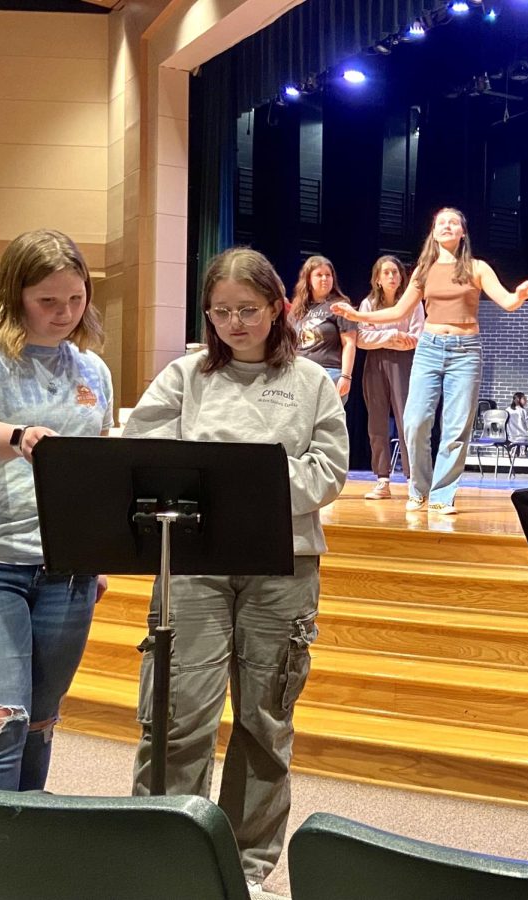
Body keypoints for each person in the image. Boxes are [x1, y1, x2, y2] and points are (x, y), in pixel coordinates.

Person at [125, 247, 348, 891]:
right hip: (194, 560)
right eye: (220, 311)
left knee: (263, 721)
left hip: (283, 565)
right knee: (177, 715)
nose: (233, 323)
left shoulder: (311, 383)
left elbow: (329, 473)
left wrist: (247, 477)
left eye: (247, 310)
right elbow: (143, 449)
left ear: (279, 307)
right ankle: (162, 857)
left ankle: (245, 869)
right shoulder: (185, 376)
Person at [0, 229, 113, 789]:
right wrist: (20, 437)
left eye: (76, 299)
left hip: (66, 571)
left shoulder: (93, 371)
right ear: (16, 295)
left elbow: (95, 473)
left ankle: (23, 863)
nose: (64, 313)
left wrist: (98, 550)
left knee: (36, 726)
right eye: (47, 301)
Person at [333, 207, 528, 515]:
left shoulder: (477, 268)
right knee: (414, 422)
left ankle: (443, 494)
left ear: (462, 232)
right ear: (433, 232)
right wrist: (358, 315)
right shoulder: (423, 270)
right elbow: (399, 312)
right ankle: (419, 489)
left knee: (456, 428)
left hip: (466, 350)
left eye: (453, 222)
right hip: (429, 348)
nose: (446, 226)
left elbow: (508, 302)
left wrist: (520, 294)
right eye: (440, 222)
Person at [356, 255, 424, 500]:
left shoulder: (413, 304)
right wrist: (394, 335)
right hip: (375, 364)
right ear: (377, 279)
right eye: (386, 273)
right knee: (376, 421)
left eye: (395, 272)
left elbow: (417, 337)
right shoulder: (367, 304)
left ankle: (412, 478)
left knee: (408, 420)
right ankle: (382, 479)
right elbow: (362, 338)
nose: (392, 277)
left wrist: (388, 338)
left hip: (404, 363)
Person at [290, 255, 357, 403]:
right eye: (319, 275)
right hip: (300, 373)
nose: (325, 279)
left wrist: (346, 376)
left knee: (325, 423)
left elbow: (349, 343)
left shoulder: (340, 305)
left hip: (330, 373)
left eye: (328, 275)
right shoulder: (298, 308)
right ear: (308, 279)